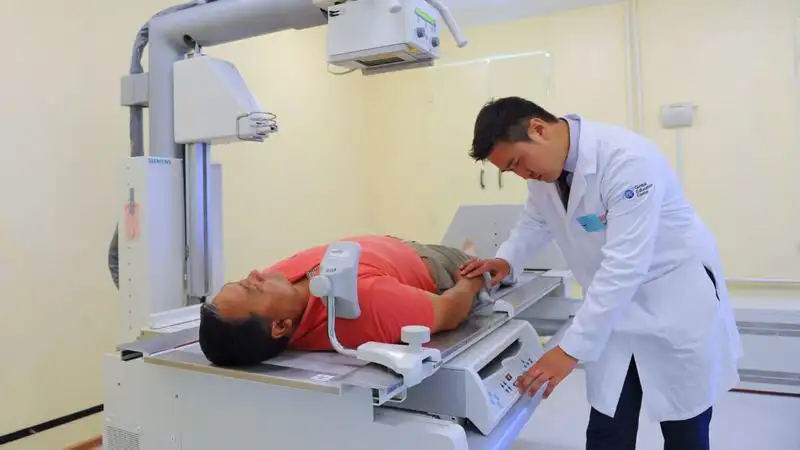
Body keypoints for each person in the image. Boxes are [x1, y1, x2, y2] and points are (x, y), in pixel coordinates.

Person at [460, 97, 742, 450]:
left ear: (538, 128)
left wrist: (568, 350)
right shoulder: (544, 173)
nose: (522, 175)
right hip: (612, 314)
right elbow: (535, 221)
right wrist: (507, 259)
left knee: (685, 431)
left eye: (517, 162)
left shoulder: (627, 160)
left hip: (672, 305)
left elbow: (624, 266)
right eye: (510, 170)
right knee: (608, 431)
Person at [199, 235, 486, 367]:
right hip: (433, 263)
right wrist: (473, 280)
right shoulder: (365, 306)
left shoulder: (279, 288)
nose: (255, 274)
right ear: (281, 326)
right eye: (253, 288)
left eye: (243, 280)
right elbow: (450, 311)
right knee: (473, 254)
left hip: (392, 244)